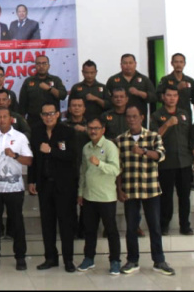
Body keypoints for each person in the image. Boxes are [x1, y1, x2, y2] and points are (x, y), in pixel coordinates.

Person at [115, 106, 175, 276]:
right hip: (130, 190)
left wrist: (144, 152)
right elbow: (118, 167)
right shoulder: (120, 140)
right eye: (128, 116)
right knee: (131, 227)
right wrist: (118, 189)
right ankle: (132, 260)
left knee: (154, 226)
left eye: (135, 116)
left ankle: (159, 260)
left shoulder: (153, 136)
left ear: (142, 117)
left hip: (150, 189)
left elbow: (161, 155)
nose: (131, 119)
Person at [0, 108, 33, 271]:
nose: (2, 119)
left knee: (17, 224)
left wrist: (15, 155)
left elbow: (29, 161)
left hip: (15, 189)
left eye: (5, 117)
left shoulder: (20, 137)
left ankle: (20, 257)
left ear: (11, 119)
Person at [29, 104, 77, 272]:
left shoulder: (68, 131)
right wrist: (32, 180)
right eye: (45, 114)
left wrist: (51, 151)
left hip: (64, 185)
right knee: (47, 223)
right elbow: (34, 158)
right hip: (44, 184)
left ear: (58, 114)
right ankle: (50, 258)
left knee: (66, 223)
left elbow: (72, 156)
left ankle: (68, 260)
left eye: (51, 113)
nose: (48, 117)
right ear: (41, 116)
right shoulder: (36, 131)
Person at [150, 85, 194, 236]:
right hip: (166, 162)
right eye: (169, 95)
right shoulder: (157, 115)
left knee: (184, 196)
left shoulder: (184, 114)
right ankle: (164, 225)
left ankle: (185, 225)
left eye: (174, 95)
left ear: (178, 98)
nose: (172, 98)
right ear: (163, 97)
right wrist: (167, 124)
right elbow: (152, 138)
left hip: (184, 161)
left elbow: (190, 137)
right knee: (166, 196)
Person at [76, 117, 122, 275]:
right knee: (90, 230)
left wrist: (99, 164)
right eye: (90, 128)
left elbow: (115, 170)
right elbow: (83, 172)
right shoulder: (86, 148)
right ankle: (89, 258)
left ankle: (115, 261)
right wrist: (80, 193)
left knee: (111, 230)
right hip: (89, 196)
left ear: (103, 130)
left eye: (96, 128)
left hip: (106, 197)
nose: (93, 131)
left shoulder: (110, 146)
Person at [63, 96, 90, 239]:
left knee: (86, 202)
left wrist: (86, 130)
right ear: (69, 108)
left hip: (87, 169)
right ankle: (72, 230)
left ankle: (84, 230)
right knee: (69, 202)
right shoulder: (63, 126)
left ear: (84, 108)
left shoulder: (91, 125)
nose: (77, 108)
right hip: (68, 169)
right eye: (74, 105)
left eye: (80, 105)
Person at [106, 54, 157, 123]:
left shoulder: (144, 79)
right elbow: (107, 99)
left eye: (130, 63)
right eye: (125, 63)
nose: (128, 65)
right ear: (121, 65)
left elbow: (154, 97)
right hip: (118, 119)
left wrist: (139, 93)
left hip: (138, 118)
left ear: (135, 64)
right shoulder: (112, 80)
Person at [19, 55, 67, 127]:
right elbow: (22, 104)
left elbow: (63, 95)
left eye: (44, 63)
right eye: (38, 64)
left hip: (52, 120)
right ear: (35, 66)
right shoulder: (28, 81)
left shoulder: (56, 80)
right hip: (34, 121)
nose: (41, 66)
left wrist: (50, 89)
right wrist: (22, 123)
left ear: (49, 66)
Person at [156, 53, 194, 120]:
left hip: (186, 116)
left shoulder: (190, 81)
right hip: (169, 116)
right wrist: (177, 88)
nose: (178, 64)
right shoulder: (165, 80)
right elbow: (158, 97)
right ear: (172, 63)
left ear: (184, 64)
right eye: (176, 62)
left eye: (181, 62)